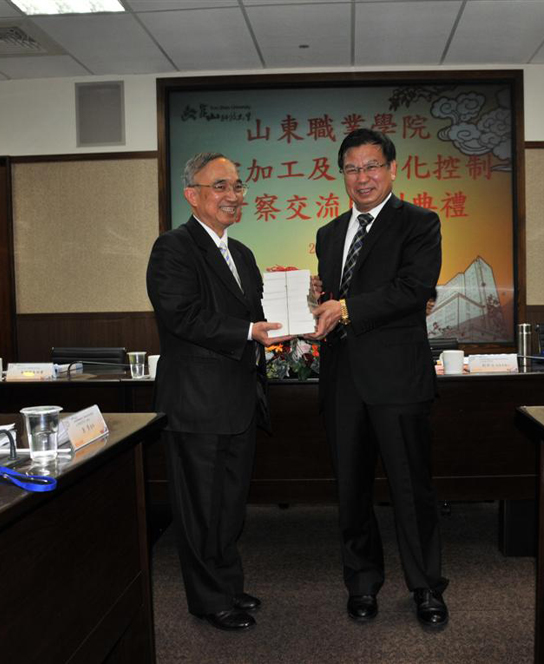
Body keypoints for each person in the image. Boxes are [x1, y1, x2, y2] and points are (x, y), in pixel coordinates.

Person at [310, 129, 447, 626]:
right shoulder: (329, 234)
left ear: (392, 169)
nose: (362, 177)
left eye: (371, 166)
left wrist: (345, 307)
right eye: (352, 168)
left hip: (397, 379)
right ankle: (362, 582)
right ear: (341, 175)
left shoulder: (419, 223)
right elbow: (336, 300)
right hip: (342, 378)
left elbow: (413, 289)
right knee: (351, 490)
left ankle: (426, 587)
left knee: (411, 488)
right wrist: (318, 302)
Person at [146, 152, 288, 632]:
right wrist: (248, 331)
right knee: (200, 509)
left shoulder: (242, 253)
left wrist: (299, 309)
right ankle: (208, 599)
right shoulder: (173, 248)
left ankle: (227, 585)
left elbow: (256, 316)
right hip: (197, 402)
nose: (233, 196)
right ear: (193, 195)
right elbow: (181, 315)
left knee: (228, 506)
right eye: (220, 186)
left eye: (238, 186)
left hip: (240, 401)